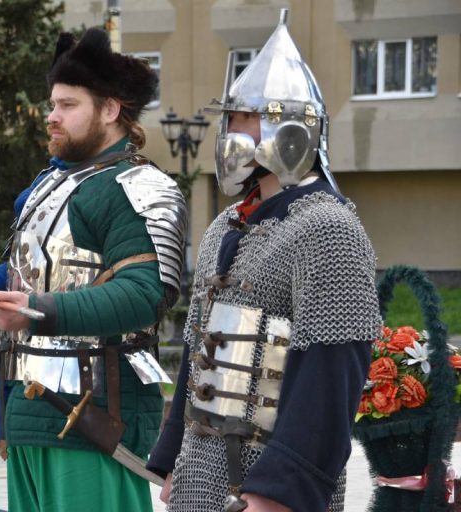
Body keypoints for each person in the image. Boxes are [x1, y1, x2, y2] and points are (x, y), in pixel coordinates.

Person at [0, 28, 187, 512]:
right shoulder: (51, 185)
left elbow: (144, 295)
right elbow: (27, 274)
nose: (52, 116)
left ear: (110, 110)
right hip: (28, 407)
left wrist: (35, 310)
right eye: (52, 104)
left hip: (94, 414)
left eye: (68, 105)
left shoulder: (139, 188)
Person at [146, 9, 382, 512]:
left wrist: (280, 492)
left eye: (242, 117)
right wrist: (173, 458)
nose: (229, 130)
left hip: (267, 488)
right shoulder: (226, 224)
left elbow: (330, 377)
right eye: (229, 118)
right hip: (203, 472)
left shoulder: (328, 229)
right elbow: (199, 352)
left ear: (289, 127)